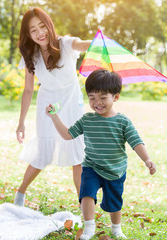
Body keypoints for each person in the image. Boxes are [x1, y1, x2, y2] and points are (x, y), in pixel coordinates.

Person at [45, 69, 157, 239]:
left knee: (114, 202)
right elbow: (68, 135)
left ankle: (116, 228)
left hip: (115, 170)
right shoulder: (87, 120)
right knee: (86, 195)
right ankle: (89, 227)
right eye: (92, 98)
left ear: (116, 97)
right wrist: (54, 117)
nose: (97, 102)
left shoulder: (122, 121)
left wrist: (147, 159)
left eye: (103, 98)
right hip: (92, 167)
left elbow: (136, 142)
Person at [13, 7, 92, 206]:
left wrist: (99, 43)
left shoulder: (65, 44)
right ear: (28, 34)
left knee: (78, 157)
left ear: (49, 25)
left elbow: (83, 45)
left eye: (42, 26)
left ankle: (84, 207)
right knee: (43, 153)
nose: (39, 33)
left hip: (72, 103)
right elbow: (28, 90)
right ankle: (20, 193)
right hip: (48, 107)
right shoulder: (31, 55)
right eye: (33, 30)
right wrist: (21, 123)